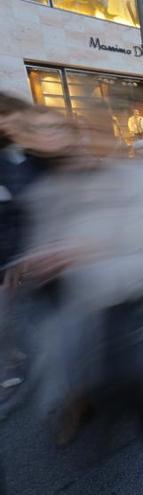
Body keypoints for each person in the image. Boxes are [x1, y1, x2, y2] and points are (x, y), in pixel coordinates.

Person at [9, 106, 143, 494]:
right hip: (117, 335)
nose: (92, 148)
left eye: (99, 137)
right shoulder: (70, 190)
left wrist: (89, 259)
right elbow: (49, 248)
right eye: (84, 140)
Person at [0, 93, 35, 413]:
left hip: (30, 251)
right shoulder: (9, 158)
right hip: (13, 253)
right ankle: (11, 361)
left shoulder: (25, 155)